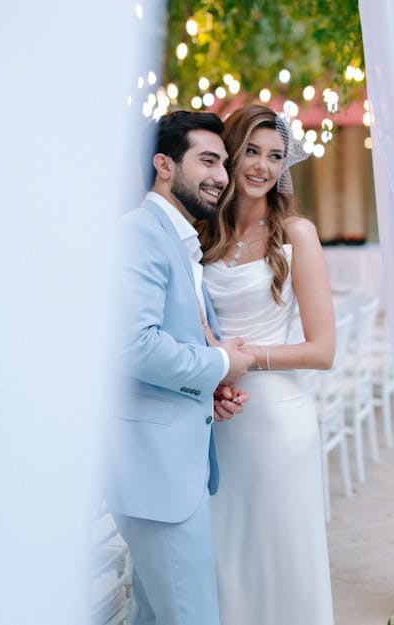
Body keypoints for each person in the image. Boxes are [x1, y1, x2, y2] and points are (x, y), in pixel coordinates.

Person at [106, 110, 254, 625]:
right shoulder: (141, 233)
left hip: (169, 470)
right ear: (163, 164)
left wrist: (204, 388)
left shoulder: (179, 239)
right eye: (207, 160)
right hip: (155, 477)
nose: (221, 176)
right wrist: (221, 361)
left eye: (223, 164)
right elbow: (134, 346)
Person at [198, 104, 336, 625]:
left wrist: (247, 358)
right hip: (221, 421)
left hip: (278, 423)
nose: (262, 166)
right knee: (230, 562)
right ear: (230, 155)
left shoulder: (296, 233)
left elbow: (322, 350)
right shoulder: (202, 233)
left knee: (283, 562)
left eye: (275, 156)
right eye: (251, 151)